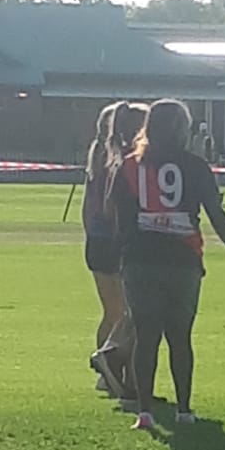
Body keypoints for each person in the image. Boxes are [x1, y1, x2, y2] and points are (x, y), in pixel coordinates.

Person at [107, 98, 225, 430]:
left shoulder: (129, 166)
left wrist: (124, 257)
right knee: (180, 336)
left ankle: (144, 411)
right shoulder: (195, 166)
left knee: (146, 337)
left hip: (141, 259)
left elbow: (119, 219)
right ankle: (184, 409)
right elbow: (217, 215)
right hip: (183, 258)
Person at [84, 101, 146, 397]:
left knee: (111, 312)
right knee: (132, 313)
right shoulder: (125, 159)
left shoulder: (96, 154)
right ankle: (112, 361)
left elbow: (87, 206)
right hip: (116, 239)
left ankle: (106, 374)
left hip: (96, 240)